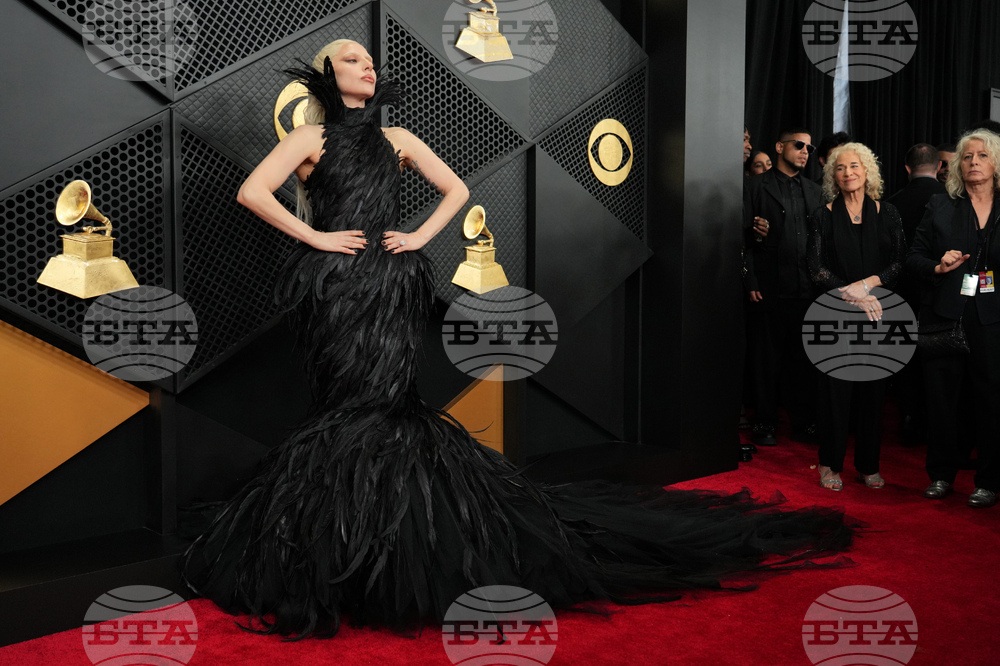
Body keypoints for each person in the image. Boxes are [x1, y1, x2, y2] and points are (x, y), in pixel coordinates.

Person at [181, 40, 855, 639]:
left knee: (386, 404)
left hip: (390, 288)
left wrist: (417, 236)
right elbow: (252, 191)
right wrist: (319, 238)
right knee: (345, 406)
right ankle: (342, 549)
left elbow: (454, 189)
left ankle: (386, 549)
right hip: (337, 293)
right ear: (329, 73)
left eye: (370, 58)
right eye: (354, 58)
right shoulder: (312, 139)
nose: (368, 65)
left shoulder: (402, 142)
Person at [907, 130, 1000, 509]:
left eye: (982, 155)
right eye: (967, 157)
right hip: (946, 314)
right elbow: (914, 257)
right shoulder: (941, 206)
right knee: (942, 400)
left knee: (991, 401)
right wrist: (937, 266)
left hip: (993, 318)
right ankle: (942, 475)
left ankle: (989, 480)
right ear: (957, 166)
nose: (974, 162)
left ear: (995, 163)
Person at [808, 143, 906, 491]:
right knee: (834, 394)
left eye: (855, 166)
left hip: (877, 315)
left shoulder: (888, 212)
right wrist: (851, 294)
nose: (848, 172)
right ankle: (829, 464)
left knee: (873, 393)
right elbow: (816, 270)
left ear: (867, 171)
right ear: (832, 175)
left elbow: (898, 264)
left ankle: (867, 465)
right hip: (834, 315)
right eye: (840, 168)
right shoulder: (822, 215)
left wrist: (866, 287)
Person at [744, 128, 824, 447]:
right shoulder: (754, 186)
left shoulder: (815, 191)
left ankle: (803, 423)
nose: (806, 151)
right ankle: (764, 423)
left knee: (802, 360)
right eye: (799, 145)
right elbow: (740, 235)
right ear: (780, 147)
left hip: (807, 289)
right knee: (766, 359)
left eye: (809, 147)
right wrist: (750, 279)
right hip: (769, 286)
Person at [888, 144, 947, 443]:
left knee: (904, 360)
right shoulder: (950, 202)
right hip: (937, 294)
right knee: (937, 364)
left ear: (907, 168)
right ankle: (933, 426)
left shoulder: (890, 204)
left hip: (898, 292)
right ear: (939, 168)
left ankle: (908, 419)